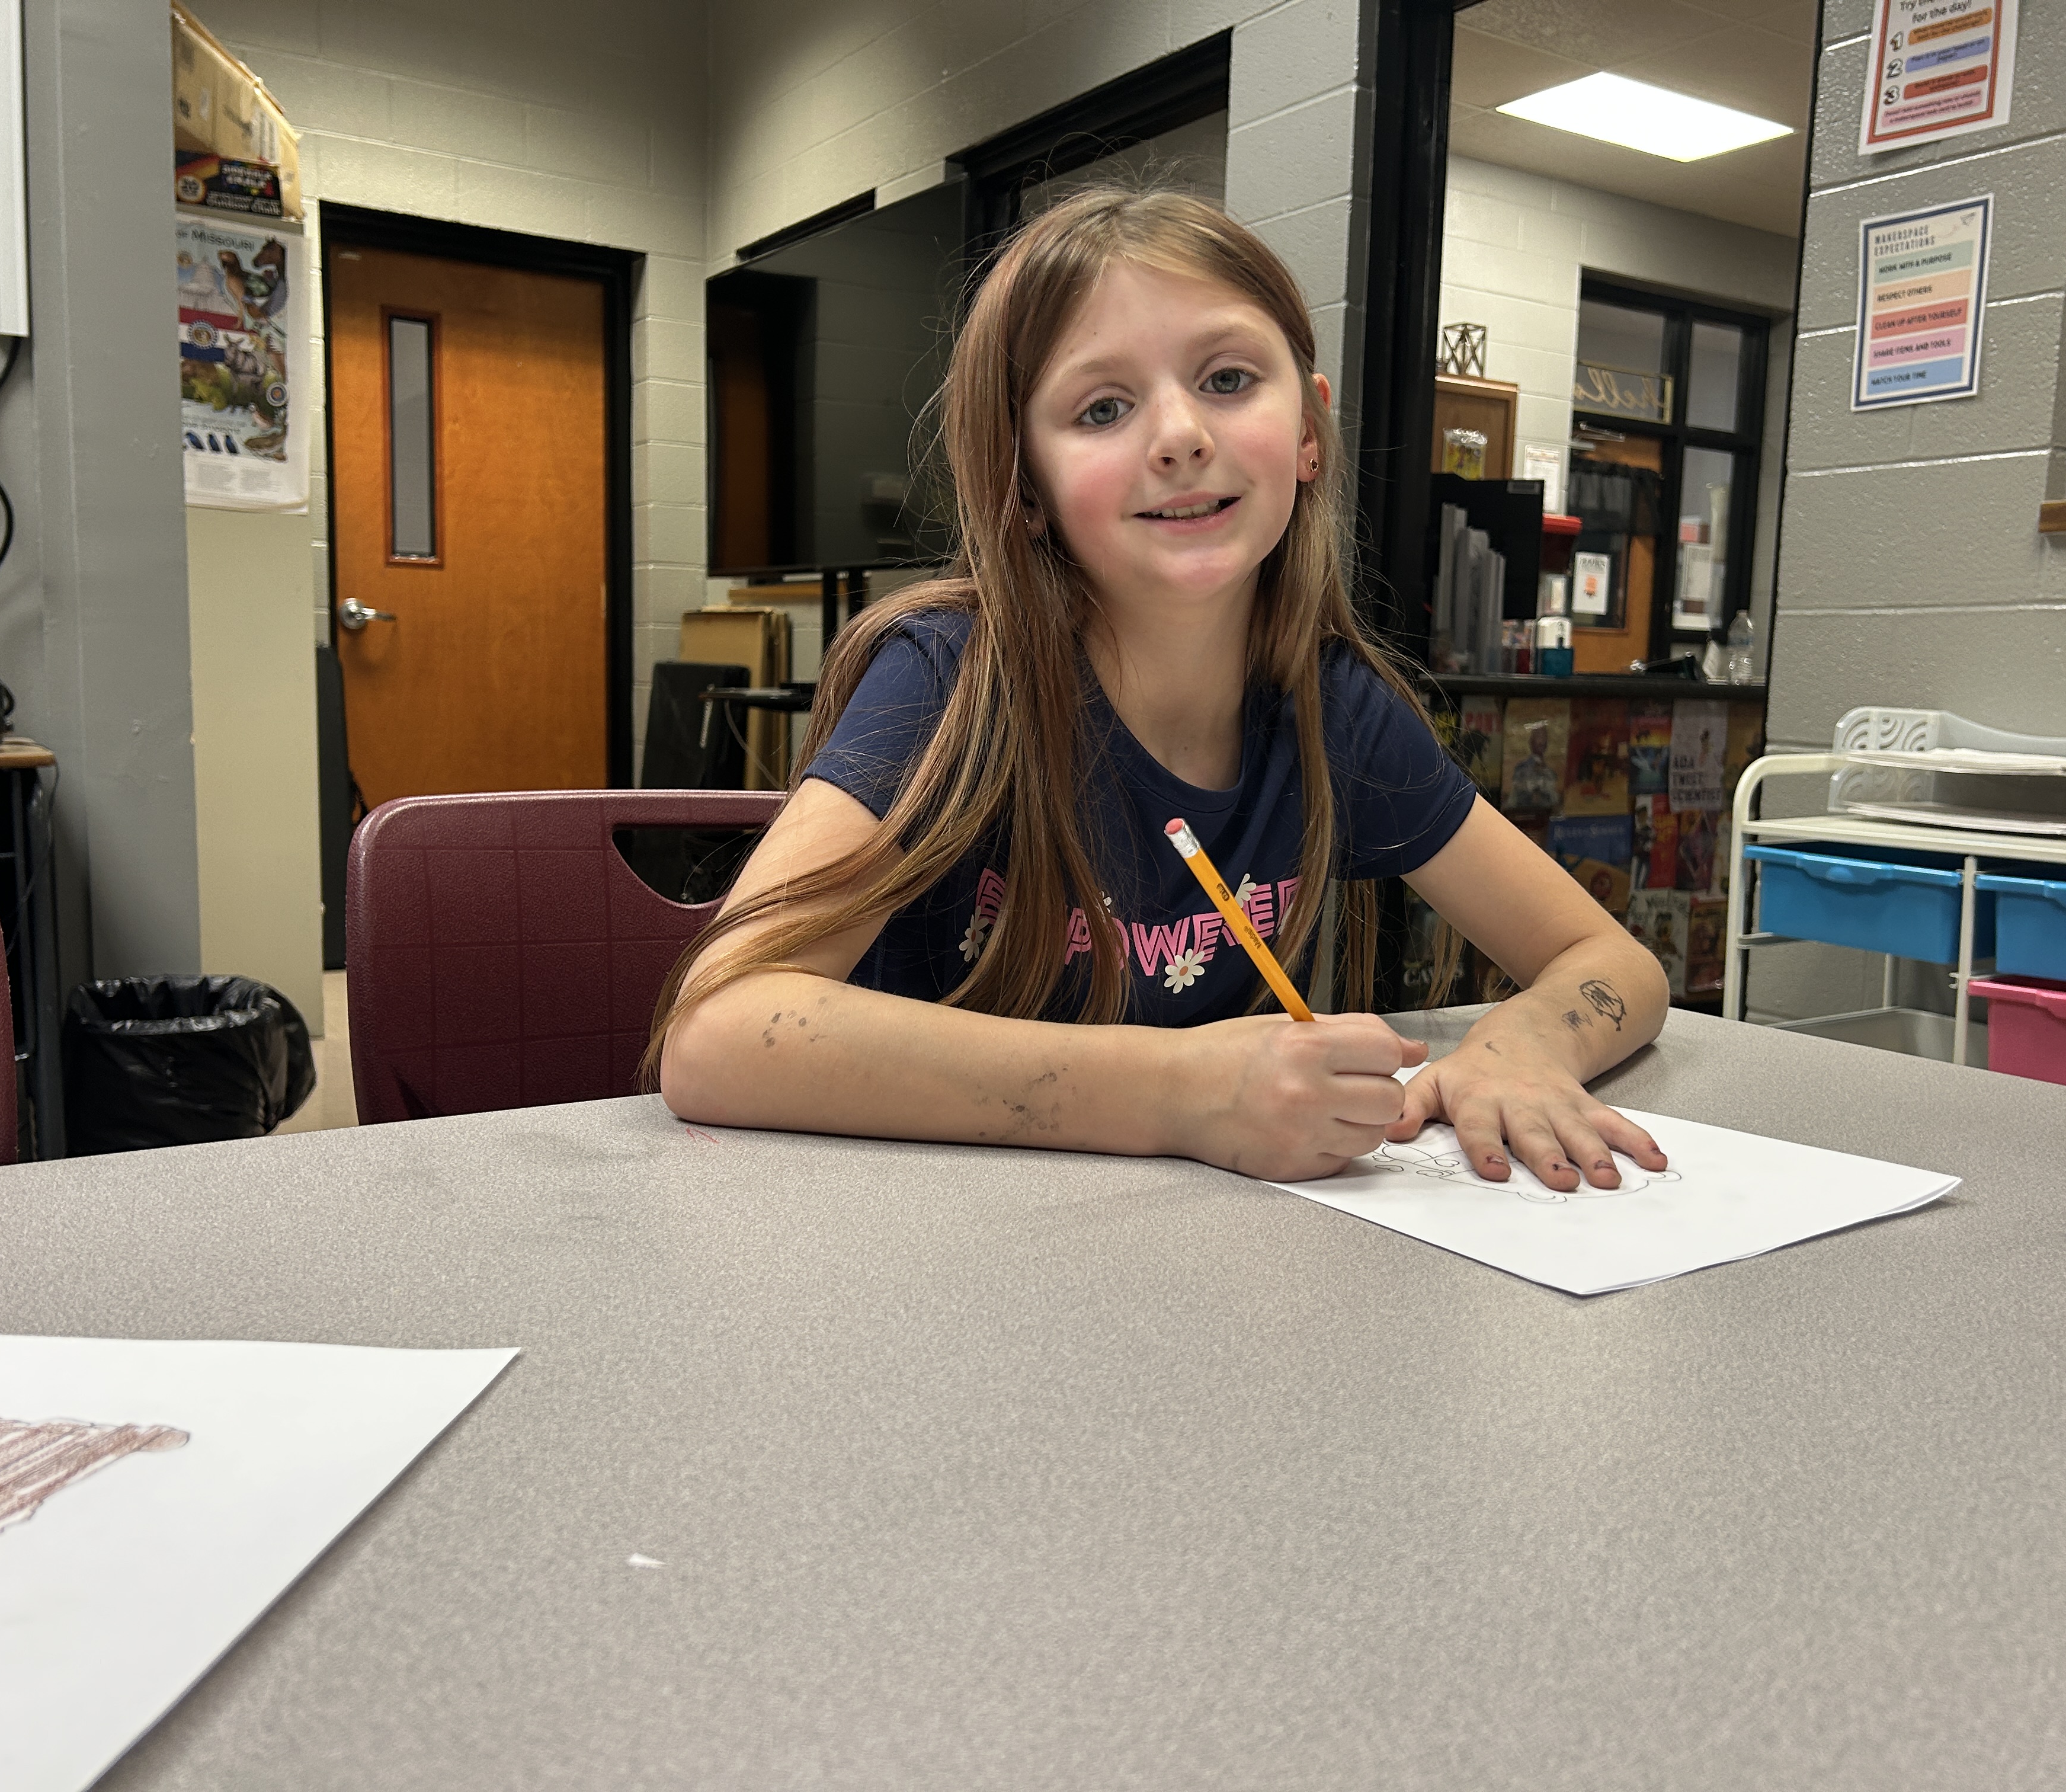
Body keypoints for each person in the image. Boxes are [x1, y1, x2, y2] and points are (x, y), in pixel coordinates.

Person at [645, 189, 1668, 1187]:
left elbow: (1611, 960)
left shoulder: (1332, 707)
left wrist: (1521, 1045)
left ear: (1310, 432)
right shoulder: (950, 681)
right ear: (1024, 485)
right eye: (1102, 407)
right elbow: (719, 1031)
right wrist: (1181, 1094)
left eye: (1227, 379)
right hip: (916, 1255)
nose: (1180, 434)